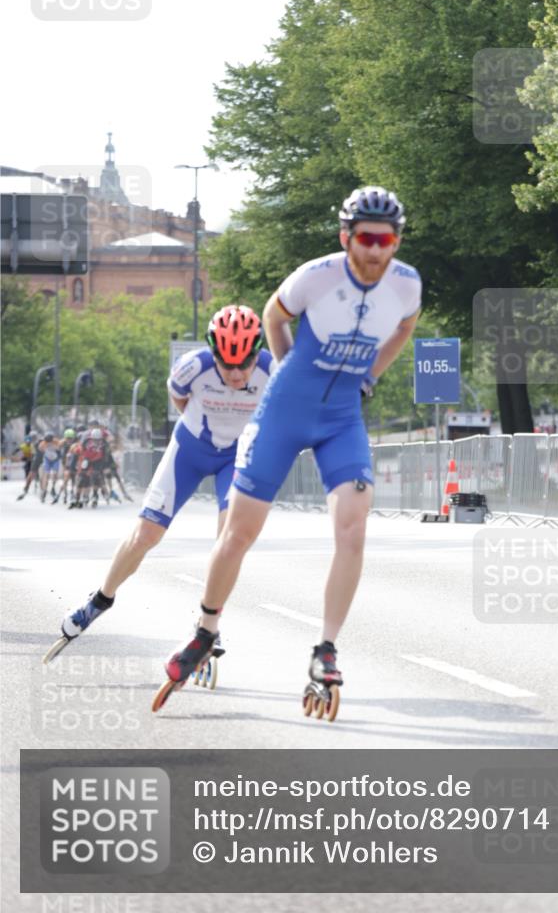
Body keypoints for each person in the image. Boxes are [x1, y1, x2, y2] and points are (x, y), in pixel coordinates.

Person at [161, 186, 422, 714]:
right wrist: (284, 372)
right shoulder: (317, 275)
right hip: (283, 411)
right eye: (366, 239)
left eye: (387, 239)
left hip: (342, 417)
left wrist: (371, 376)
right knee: (239, 533)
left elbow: (404, 328)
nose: (376, 250)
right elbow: (273, 315)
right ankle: (205, 628)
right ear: (346, 236)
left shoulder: (407, 284)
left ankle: (325, 649)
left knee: (353, 527)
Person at [52, 306, 273, 648]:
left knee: (230, 541)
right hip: (190, 451)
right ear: (213, 354)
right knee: (146, 534)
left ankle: (207, 624)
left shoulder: (272, 371)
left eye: (244, 364)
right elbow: (180, 398)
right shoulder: (192, 368)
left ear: (256, 354)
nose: (236, 373)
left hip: (236, 457)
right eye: (226, 364)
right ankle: (100, 599)